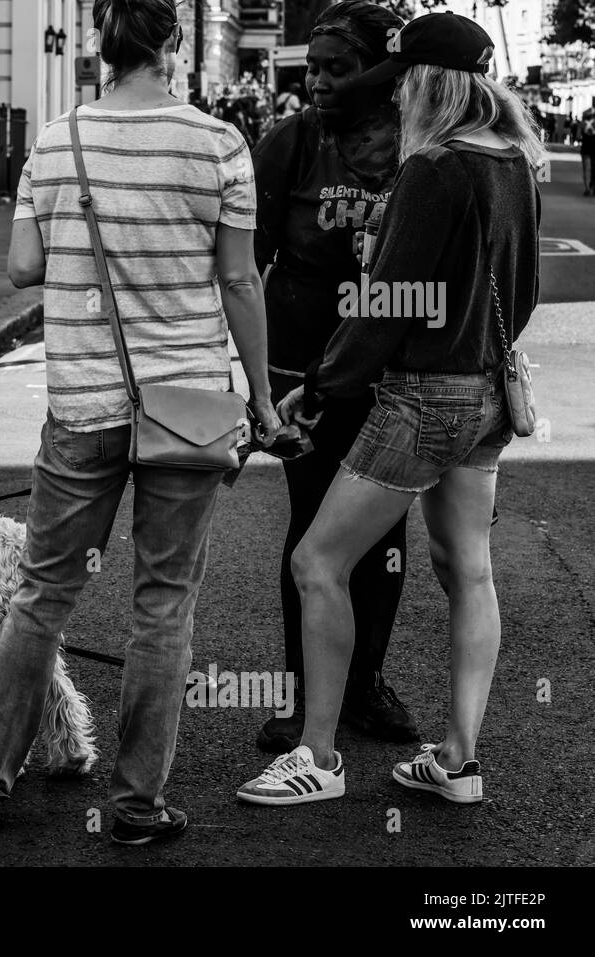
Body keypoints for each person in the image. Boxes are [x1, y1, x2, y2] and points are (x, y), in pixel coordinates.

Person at [0, 0, 280, 843]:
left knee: (42, 597)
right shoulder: (220, 145)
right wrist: (259, 398)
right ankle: (135, 808)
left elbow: (21, 266)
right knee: (163, 606)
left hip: (83, 404)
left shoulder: (53, 139)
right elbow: (238, 282)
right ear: (174, 45)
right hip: (186, 410)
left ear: (103, 50)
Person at [239, 12, 542, 805]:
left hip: (423, 399)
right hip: (487, 395)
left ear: (425, 83)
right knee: (467, 569)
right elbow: (529, 292)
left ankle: (316, 754)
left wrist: (321, 385)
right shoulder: (513, 161)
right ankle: (458, 761)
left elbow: (385, 304)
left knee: (316, 560)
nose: (395, 94)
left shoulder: (432, 167)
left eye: (402, 80)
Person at [249, 1, 417, 755]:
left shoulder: (419, 147)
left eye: (335, 68)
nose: (315, 80)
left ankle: (364, 684)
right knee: (313, 529)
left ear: (380, 72)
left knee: (384, 531)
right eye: (311, 65)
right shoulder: (287, 143)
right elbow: (246, 265)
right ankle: (300, 693)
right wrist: (252, 382)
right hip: (301, 374)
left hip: (390, 371)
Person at [580, 108, 595, 196]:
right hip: (594, 148)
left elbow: (578, 136)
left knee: (586, 169)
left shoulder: (582, 124)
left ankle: (587, 189)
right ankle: (593, 187)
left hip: (585, 148)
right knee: (594, 168)